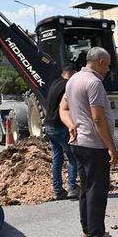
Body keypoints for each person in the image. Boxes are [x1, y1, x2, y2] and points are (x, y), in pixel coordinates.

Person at [59, 47, 118, 237]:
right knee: (97, 190)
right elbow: (97, 118)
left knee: (85, 189)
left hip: (79, 144)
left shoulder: (73, 80)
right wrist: (110, 147)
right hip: (94, 145)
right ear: (101, 62)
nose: (107, 70)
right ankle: (97, 236)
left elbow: (63, 108)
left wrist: (71, 125)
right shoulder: (94, 83)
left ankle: (87, 232)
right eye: (108, 65)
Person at [43, 64, 78, 200]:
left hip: (49, 125)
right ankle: (72, 188)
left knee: (57, 158)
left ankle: (58, 190)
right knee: (73, 156)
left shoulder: (55, 83)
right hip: (60, 126)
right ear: (72, 73)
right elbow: (68, 106)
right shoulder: (68, 86)